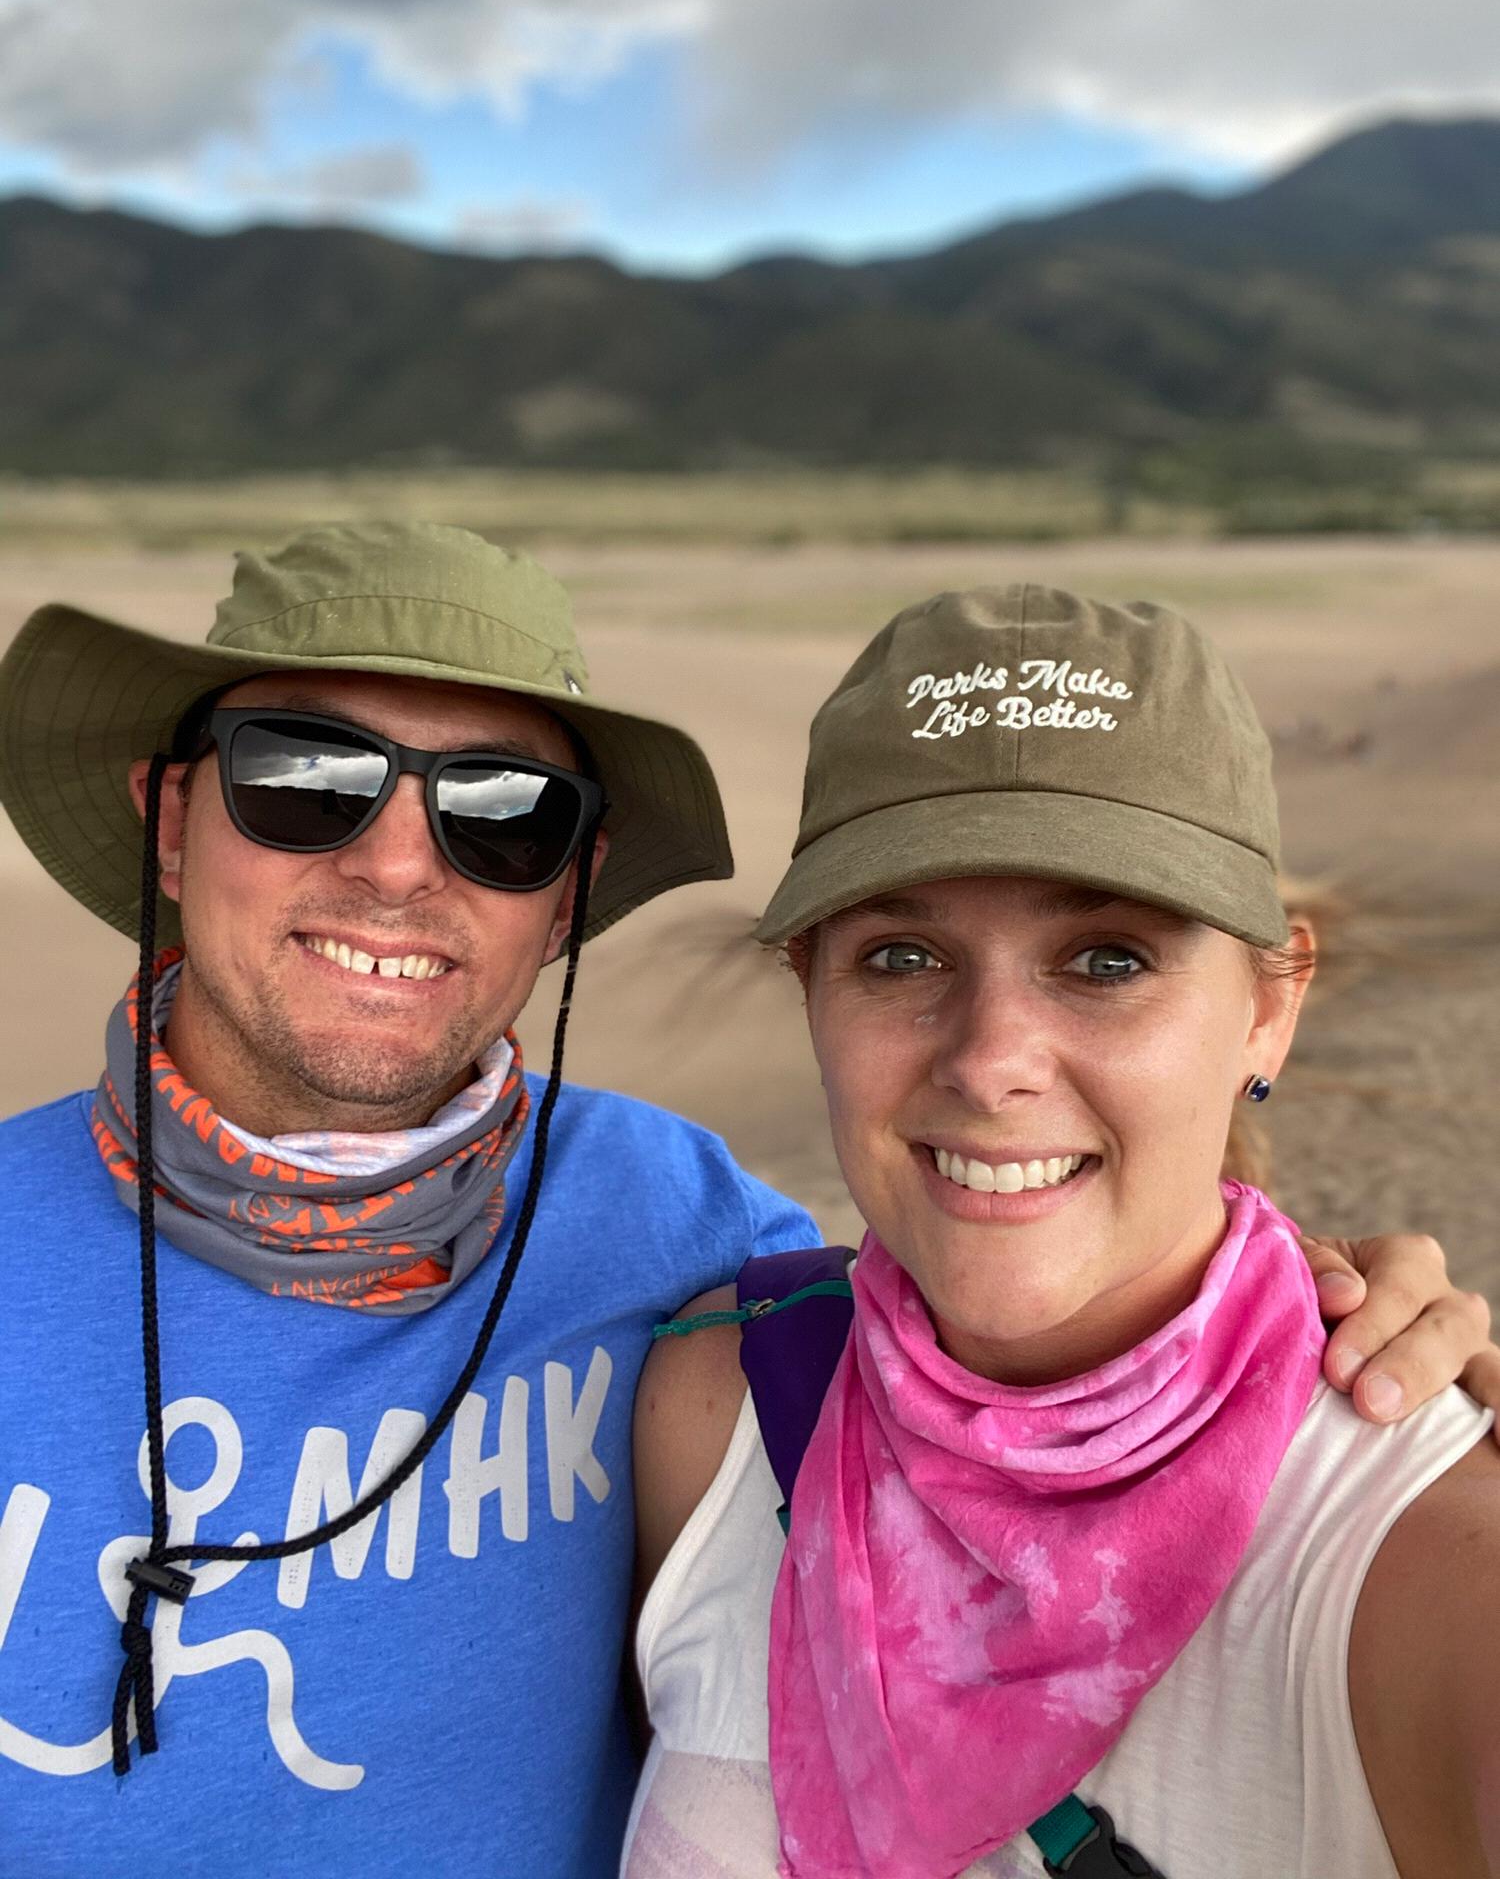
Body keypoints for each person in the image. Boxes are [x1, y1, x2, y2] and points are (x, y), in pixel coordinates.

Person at [0, 535, 1488, 1878]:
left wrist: (1316, 1305)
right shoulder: (732, 1379)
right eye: (305, 778)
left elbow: (1041, 1288)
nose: (395, 866)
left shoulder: (688, 1237)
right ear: (175, 821)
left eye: (503, 815)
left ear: (567, 888)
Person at [628, 584, 1500, 1879]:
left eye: (1105, 959)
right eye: (903, 957)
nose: (990, 1063)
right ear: (806, 985)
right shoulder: (721, 1411)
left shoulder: (1418, 1554)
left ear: (1270, 1011)